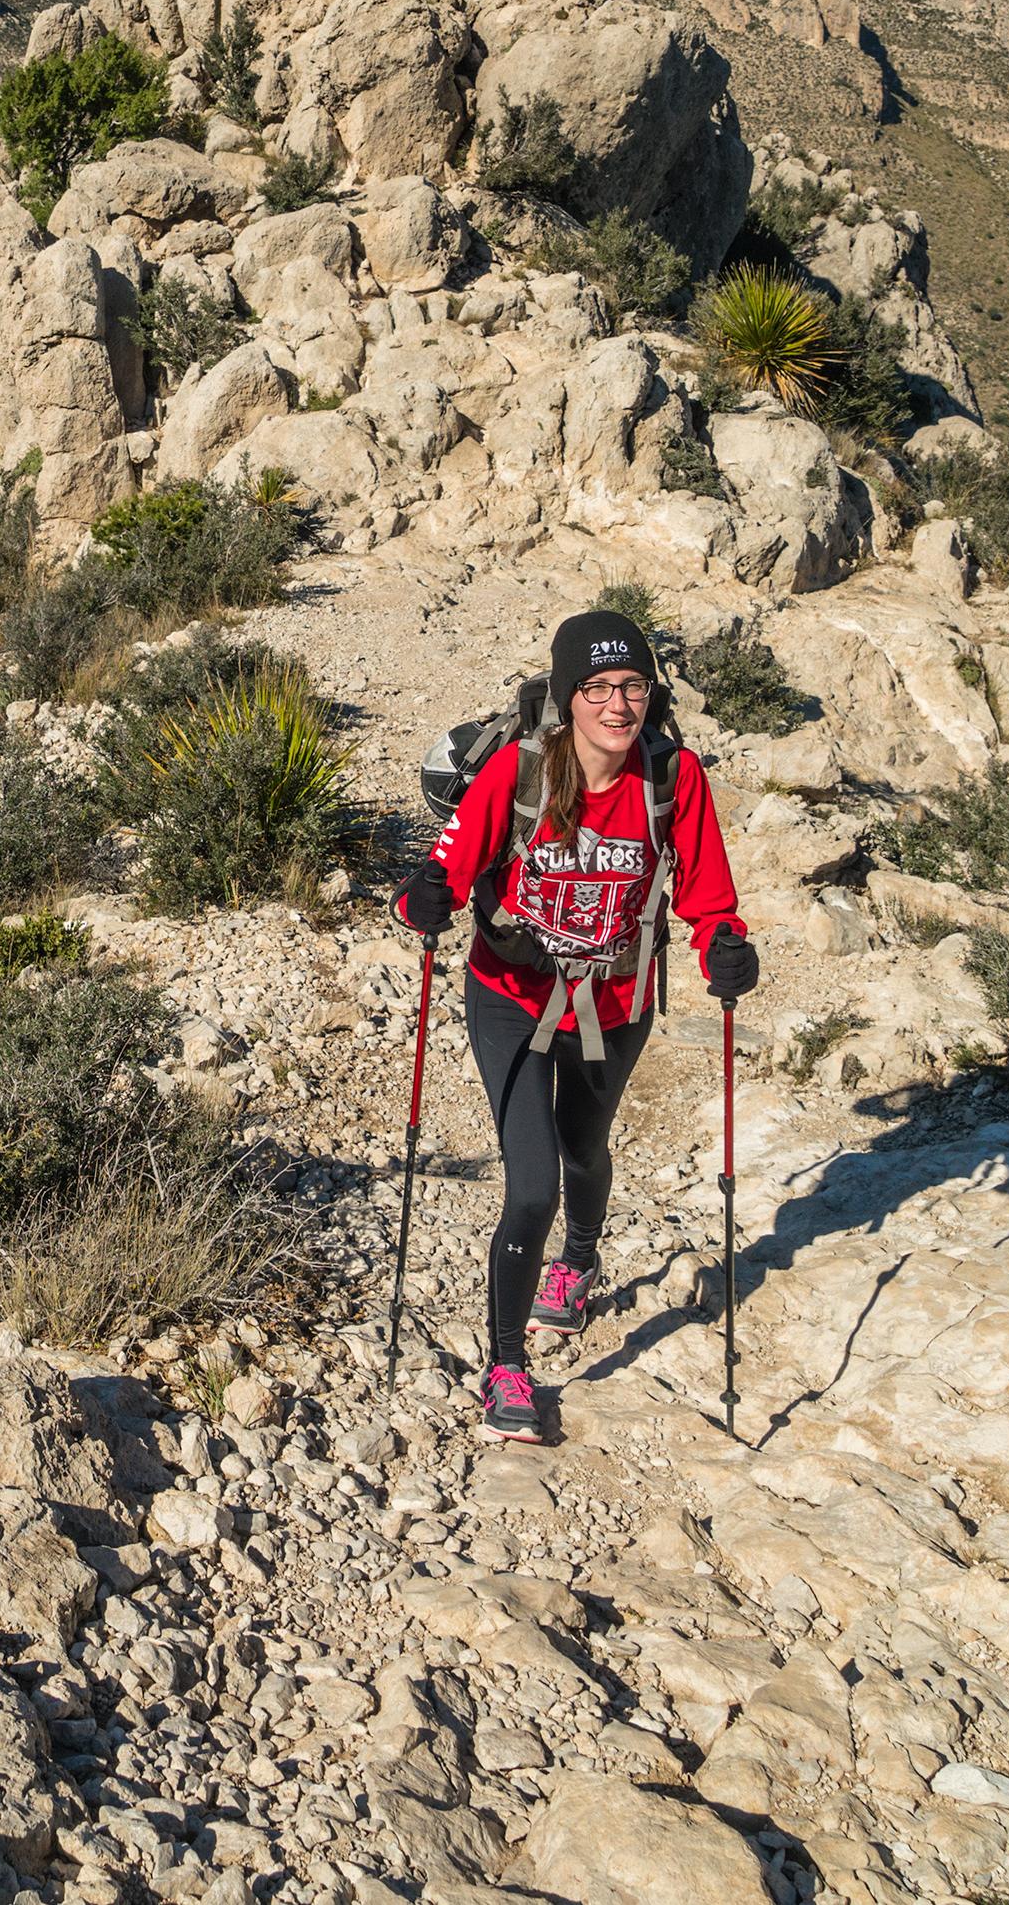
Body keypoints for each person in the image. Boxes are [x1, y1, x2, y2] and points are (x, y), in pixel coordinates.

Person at [394, 609, 757, 1441]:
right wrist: (426, 894)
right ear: (566, 696)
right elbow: (449, 861)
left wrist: (725, 948)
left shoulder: (673, 778)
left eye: (632, 685)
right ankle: (506, 1365)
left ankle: (580, 1260)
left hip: (614, 1002)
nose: (617, 705)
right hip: (510, 995)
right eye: (596, 687)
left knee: (584, 1148)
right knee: (532, 1183)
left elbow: (707, 896)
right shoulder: (522, 773)